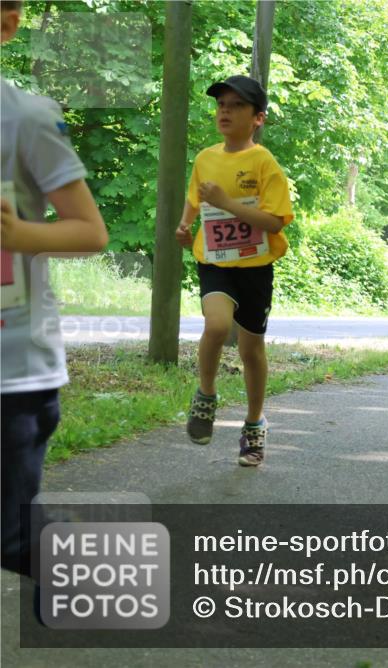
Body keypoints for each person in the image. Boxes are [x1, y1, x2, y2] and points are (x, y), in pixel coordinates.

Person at [1, 0, 110, 575]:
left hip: (13, 373)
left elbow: (91, 231)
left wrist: (21, 233)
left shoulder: (26, 117)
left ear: (7, 25)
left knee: (10, 535)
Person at [175, 75, 294, 467]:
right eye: (220, 105)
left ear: (257, 118)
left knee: (251, 350)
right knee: (216, 325)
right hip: (214, 262)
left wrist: (227, 203)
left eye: (236, 105)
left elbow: (275, 222)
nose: (224, 111)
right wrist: (184, 223)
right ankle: (205, 395)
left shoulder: (264, 163)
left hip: (255, 266)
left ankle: (254, 424)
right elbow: (196, 196)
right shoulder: (205, 157)